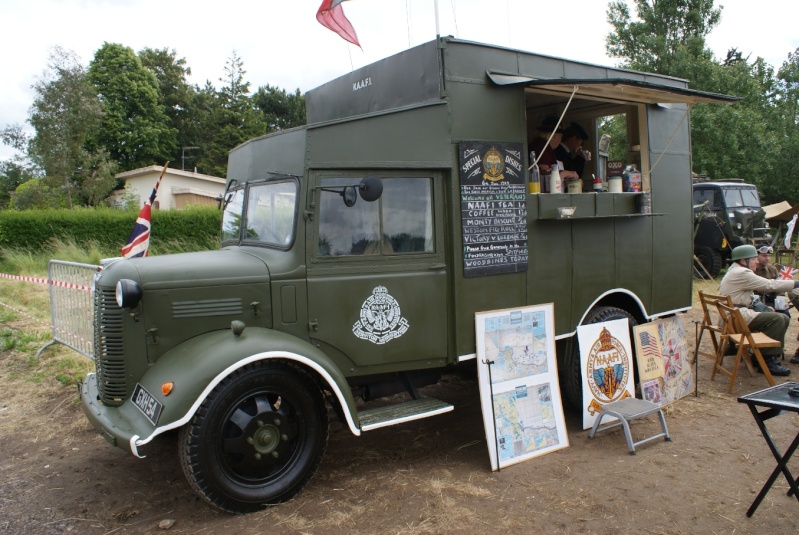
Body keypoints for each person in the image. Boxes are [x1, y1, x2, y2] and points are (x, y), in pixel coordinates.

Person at [719, 244, 799, 376]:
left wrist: (763, 307)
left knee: (782, 317)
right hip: (737, 318)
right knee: (778, 319)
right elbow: (770, 284)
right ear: (744, 261)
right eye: (754, 258)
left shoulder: (735, 270)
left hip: (733, 315)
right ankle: (767, 361)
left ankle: (761, 355)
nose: (757, 261)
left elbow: (748, 297)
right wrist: (796, 283)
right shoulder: (742, 273)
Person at [754, 243, 799, 363]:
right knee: (773, 318)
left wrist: (780, 301)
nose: (767, 258)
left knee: (786, 316)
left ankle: (775, 348)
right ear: (756, 255)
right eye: (764, 256)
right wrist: (764, 305)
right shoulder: (751, 270)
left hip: (771, 301)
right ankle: (764, 350)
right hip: (755, 303)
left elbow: (779, 288)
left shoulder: (772, 269)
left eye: (769, 256)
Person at [529, 116, 579, 183]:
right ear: (554, 136)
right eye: (560, 136)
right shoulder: (542, 147)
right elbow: (544, 173)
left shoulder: (542, 145)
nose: (560, 140)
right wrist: (566, 173)